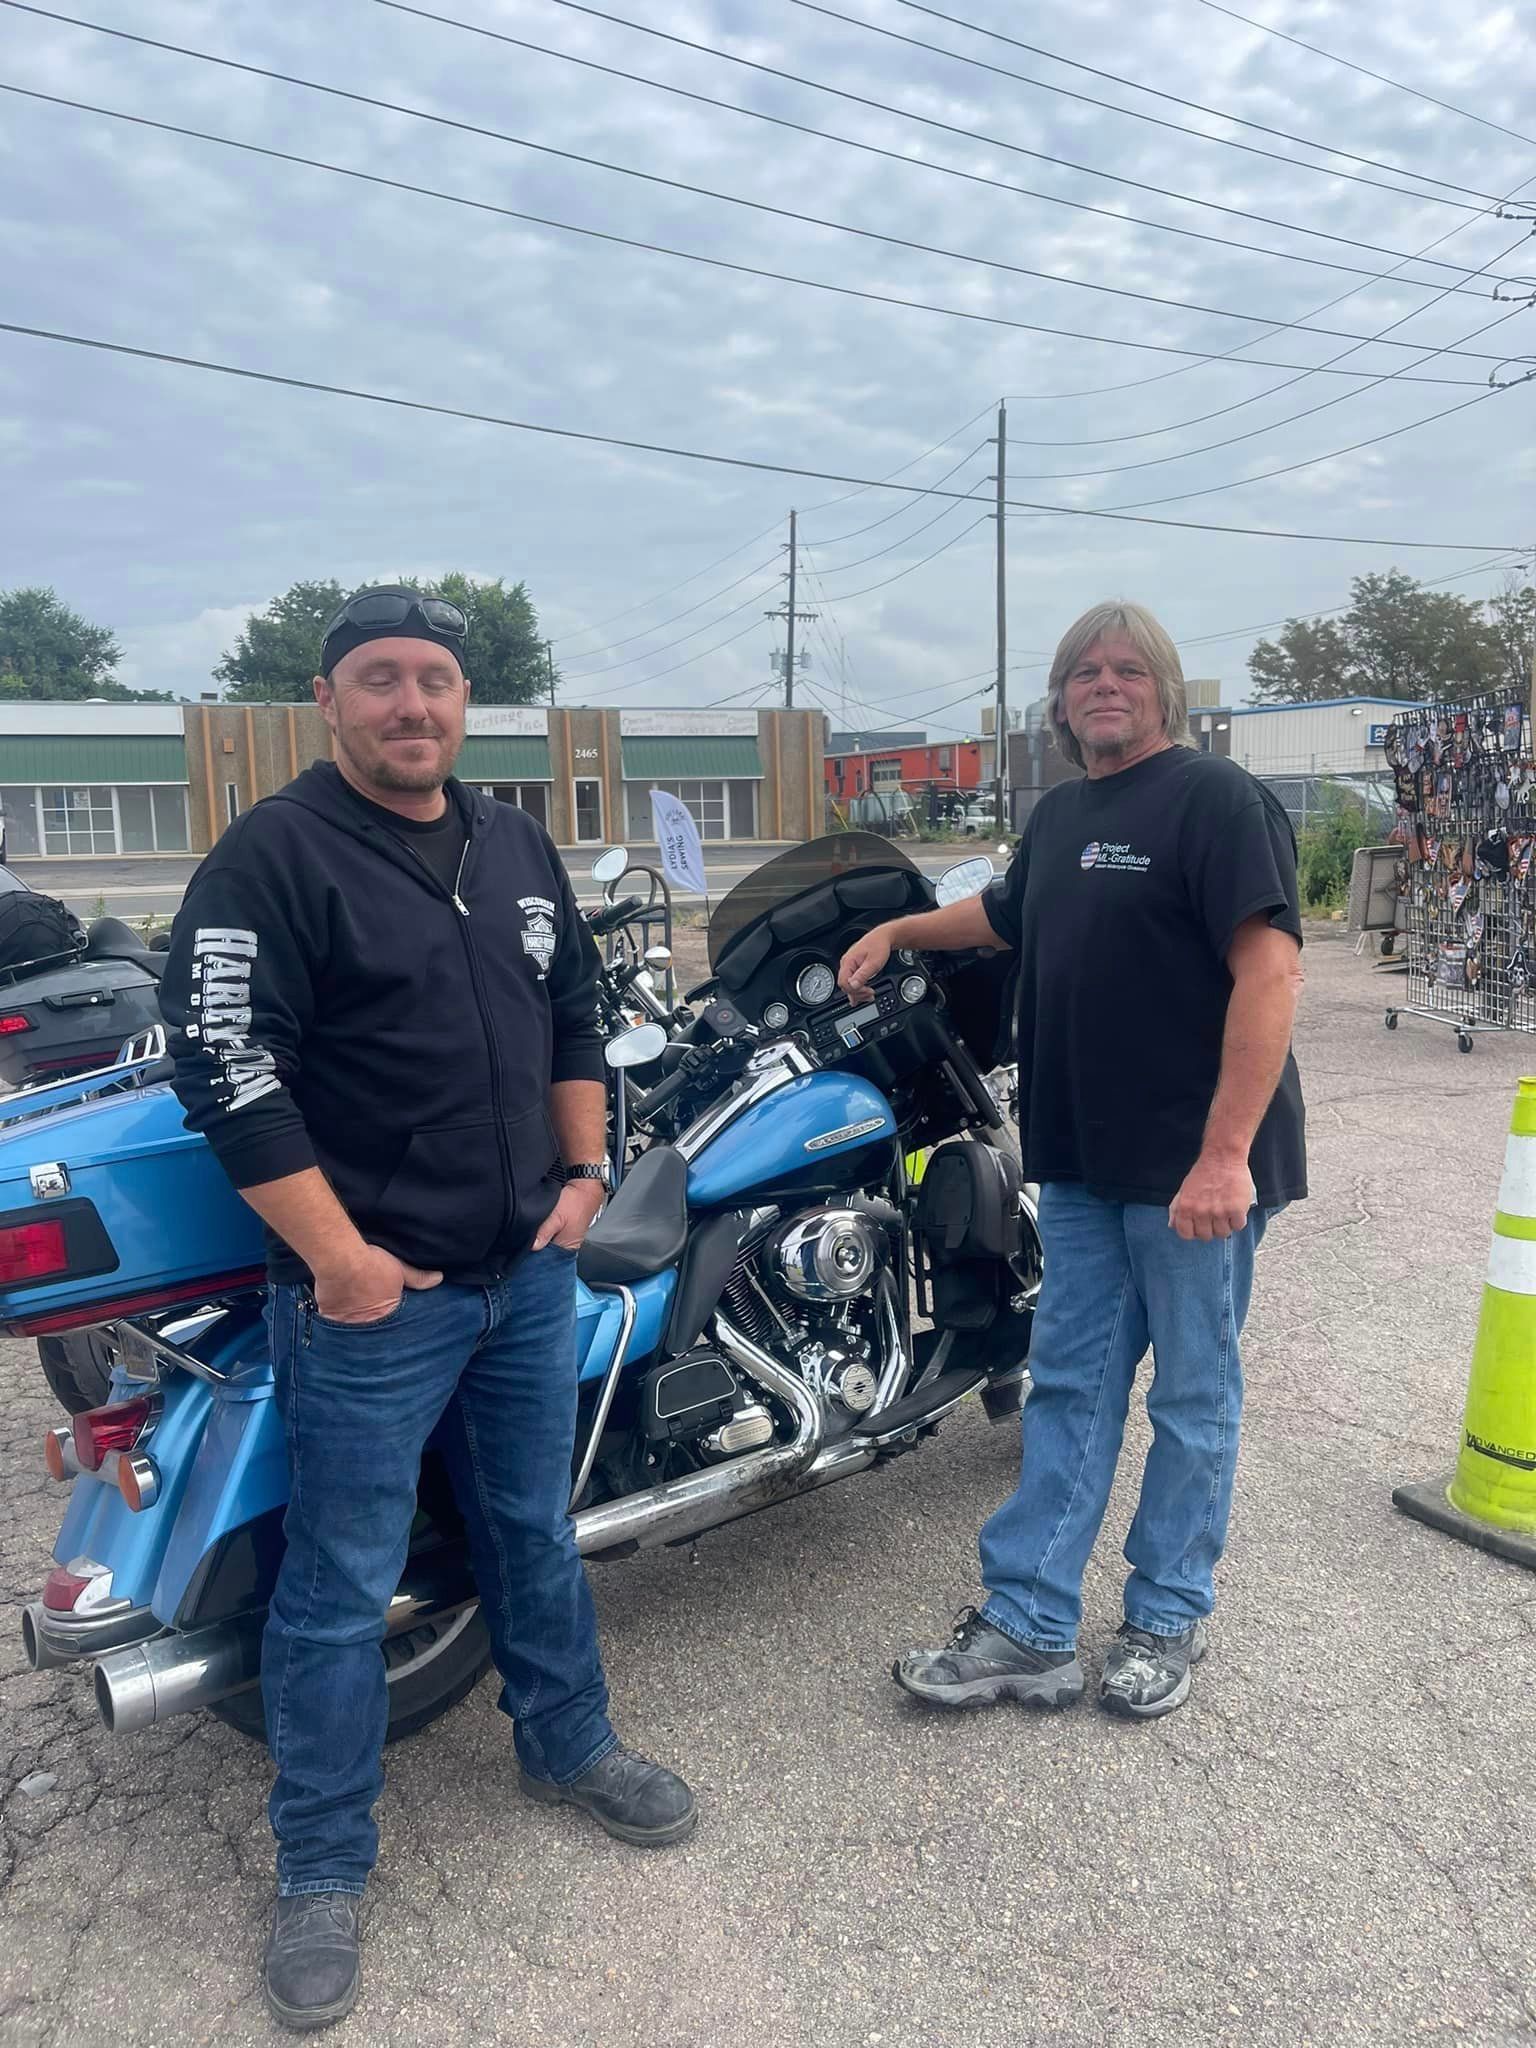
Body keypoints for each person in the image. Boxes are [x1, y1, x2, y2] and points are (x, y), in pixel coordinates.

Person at [161, 586, 694, 2034]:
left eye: (438, 683)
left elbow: (574, 1009)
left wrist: (583, 1173)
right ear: (326, 702)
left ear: (468, 705)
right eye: (382, 680)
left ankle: (567, 1745)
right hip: (371, 1303)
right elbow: (221, 1066)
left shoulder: (513, 840)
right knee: (338, 1586)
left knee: (531, 1527)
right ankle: (323, 1867)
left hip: (523, 1276)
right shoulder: (272, 856)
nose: (414, 706)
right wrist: (337, 1258)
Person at [838, 600, 1306, 1724]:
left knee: (1193, 1397)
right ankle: (1031, 1623)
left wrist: (1226, 1154)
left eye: (1127, 668)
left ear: (1165, 688)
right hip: (1086, 1168)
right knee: (1070, 1391)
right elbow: (999, 914)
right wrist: (901, 931)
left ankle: (1166, 1611)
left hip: (1197, 1172)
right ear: (1059, 702)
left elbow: (1271, 973)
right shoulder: (1062, 817)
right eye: (1084, 671)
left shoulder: (1215, 799)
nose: (1105, 683)